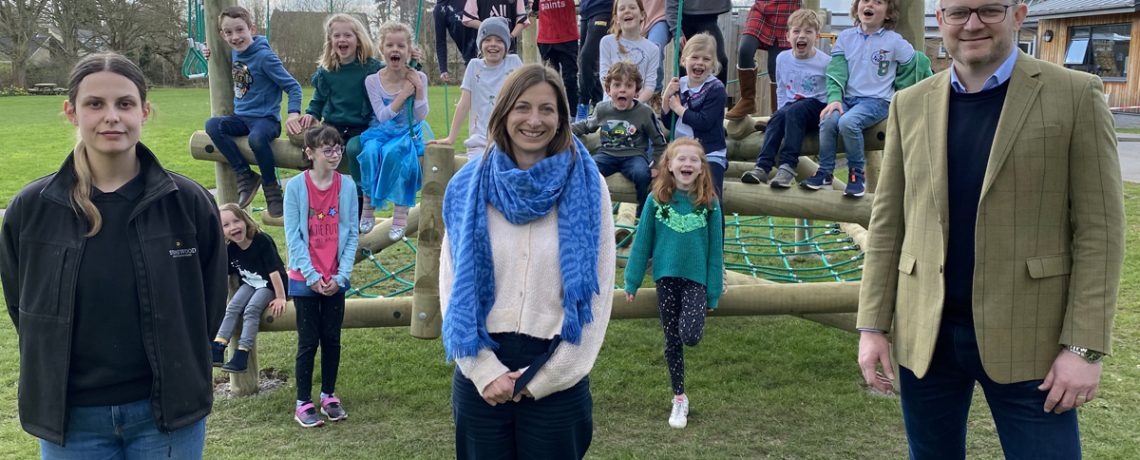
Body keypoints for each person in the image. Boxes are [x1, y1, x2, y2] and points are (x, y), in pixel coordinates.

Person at [856, 1, 1124, 458]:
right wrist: (872, 326)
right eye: (959, 12)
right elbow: (887, 225)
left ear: (1018, 14)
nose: (973, 23)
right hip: (927, 338)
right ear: (940, 19)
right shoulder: (910, 103)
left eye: (989, 10)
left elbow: (1100, 232)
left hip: (1031, 341)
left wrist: (1083, 348)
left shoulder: (1076, 94)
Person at [0, 53, 227, 457]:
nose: (112, 117)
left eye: (124, 103)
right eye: (95, 104)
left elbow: (209, 303)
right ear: (71, 112)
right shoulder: (32, 209)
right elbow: (25, 309)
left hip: (168, 415)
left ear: (144, 110)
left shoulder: (188, 203)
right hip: (71, 420)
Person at [439, 64, 615, 459]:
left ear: (561, 118)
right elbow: (451, 284)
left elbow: (598, 295)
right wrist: (484, 370)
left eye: (547, 109)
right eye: (522, 107)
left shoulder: (588, 185)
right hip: (481, 371)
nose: (534, 120)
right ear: (504, 113)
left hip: (556, 374)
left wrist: (550, 376)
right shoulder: (469, 185)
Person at [624, 138, 723, 429]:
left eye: (694, 160)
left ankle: (687, 334)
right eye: (681, 159)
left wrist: (713, 292)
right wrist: (631, 281)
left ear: (702, 168)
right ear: (669, 165)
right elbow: (642, 243)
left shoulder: (709, 205)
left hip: (695, 282)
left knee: (689, 335)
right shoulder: (658, 201)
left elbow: (715, 251)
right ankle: (679, 397)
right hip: (666, 279)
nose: (687, 164)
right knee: (672, 341)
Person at [800, 0, 926, 197]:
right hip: (848, 100)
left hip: (877, 101)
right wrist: (835, 99)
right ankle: (825, 172)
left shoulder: (894, 41)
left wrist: (904, 94)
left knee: (848, 123)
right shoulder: (845, 38)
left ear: (888, 13)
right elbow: (836, 73)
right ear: (857, 7)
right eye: (865, 1)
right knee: (827, 120)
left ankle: (856, 174)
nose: (870, 5)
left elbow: (916, 63)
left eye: (878, 2)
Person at [283, 125, 360, 428]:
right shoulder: (296, 187)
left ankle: (328, 395)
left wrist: (341, 276)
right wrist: (312, 275)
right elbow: (293, 236)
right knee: (308, 340)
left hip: (336, 278)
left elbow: (352, 232)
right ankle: (303, 401)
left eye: (338, 148)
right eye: (327, 149)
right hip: (305, 278)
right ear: (309, 153)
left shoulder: (348, 186)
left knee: (332, 338)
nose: (334, 154)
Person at [204, 5, 302, 217]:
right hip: (242, 118)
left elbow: (293, 87)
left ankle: (272, 190)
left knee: (256, 140)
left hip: (266, 121)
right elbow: (221, 55)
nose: (235, 37)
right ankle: (245, 174)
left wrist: (293, 113)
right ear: (222, 35)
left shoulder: (265, 57)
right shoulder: (233, 51)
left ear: (252, 29)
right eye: (228, 32)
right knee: (212, 126)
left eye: (240, 30)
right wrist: (209, 52)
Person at [289, 14, 382, 202]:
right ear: (330, 41)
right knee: (316, 147)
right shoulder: (327, 71)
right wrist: (311, 113)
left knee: (356, 150)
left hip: (361, 126)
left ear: (358, 40)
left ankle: (361, 195)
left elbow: (394, 77)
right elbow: (319, 98)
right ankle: (319, 192)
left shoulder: (371, 68)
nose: (342, 39)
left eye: (347, 35)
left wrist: (412, 63)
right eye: (336, 36)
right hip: (333, 125)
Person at [358, 22, 432, 240]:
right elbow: (381, 115)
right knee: (370, 151)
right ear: (382, 49)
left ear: (410, 51)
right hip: (381, 130)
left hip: (407, 131)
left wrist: (417, 88)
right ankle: (368, 207)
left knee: (398, 154)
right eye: (389, 45)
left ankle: (400, 214)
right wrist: (403, 94)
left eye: (401, 46)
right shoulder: (372, 80)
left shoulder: (419, 78)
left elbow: (420, 116)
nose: (395, 49)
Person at [740, 9, 829, 188]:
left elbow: (831, 93)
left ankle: (787, 167)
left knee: (795, 109)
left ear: (817, 37)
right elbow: (781, 89)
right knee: (779, 116)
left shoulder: (826, 62)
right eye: (796, 31)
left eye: (808, 32)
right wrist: (780, 113)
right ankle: (762, 167)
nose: (801, 36)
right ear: (788, 36)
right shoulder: (782, 58)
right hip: (792, 109)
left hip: (817, 109)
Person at [572, 62, 667, 214]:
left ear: (636, 91)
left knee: (643, 174)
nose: (622, 89)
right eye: (617, 85)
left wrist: (656, 165)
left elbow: (659, 142)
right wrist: (567, 129)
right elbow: (588, 125)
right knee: (587, 169)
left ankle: (643, 213)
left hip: (634, 155)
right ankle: (590, 209)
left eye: (628, 86)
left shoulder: (644, 112)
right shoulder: (602, 109)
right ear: (609, 90)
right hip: (607, 154)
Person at [428, 18, 524, 158]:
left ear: (506, 45)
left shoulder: (514, 63)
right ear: (480, 44)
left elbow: (528, 94)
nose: (493, 44)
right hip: (480, 140)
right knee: (477, 174)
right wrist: (451, 138)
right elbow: (464, 104)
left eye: (499, 40)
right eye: (487, 40)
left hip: (510, 139)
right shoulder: (474, 66)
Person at [212, 203, 287, 373]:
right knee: (232, 307)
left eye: (236, 221)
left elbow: (275, 271)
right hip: (250, 283)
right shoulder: (229, 248)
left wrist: (281, 296)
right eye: (226, 225)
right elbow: (225, 274)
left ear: (245, 220)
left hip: (270, 285)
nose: (233, 227)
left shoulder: (262, 241)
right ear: (221, 230)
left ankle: (242, 354)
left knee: (251, 310)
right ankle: (218, 347)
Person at [660, 33, 728, 199]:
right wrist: (665, 98)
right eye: (695, 57)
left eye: (706, 59)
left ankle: (716, 224)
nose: (699, 62)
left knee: (711, 193)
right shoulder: (679, 84)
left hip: (709, 153)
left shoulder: (716, 88)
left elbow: (704, 122)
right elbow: (669, 123)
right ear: (684, 60)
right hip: (682, 153)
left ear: (713, 64)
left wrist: (678, 108)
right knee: (666, 187)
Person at [725, 0, 801, 119]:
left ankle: (777, 114)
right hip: (761, 8)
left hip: (788, 11)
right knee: (745, 50)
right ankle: (747, 100)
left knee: (776, 66)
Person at [599, 0, 660, 104]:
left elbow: (650, 86)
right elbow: (604, 77)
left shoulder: (653, 49)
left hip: (637, 108)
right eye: (622, 9)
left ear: (642, 15)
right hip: (611, 105)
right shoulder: (607, 42)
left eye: (632, 7)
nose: (627, 11)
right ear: (616, 18)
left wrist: (633, 105)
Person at [665, 0, 731, 86]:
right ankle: (686, 97)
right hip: (684, 19)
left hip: (709, 18)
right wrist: (676, 31)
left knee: (720, 61)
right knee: (686, 64)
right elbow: (671, 3)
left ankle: (718, 96)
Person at [531, 0, 581, 112]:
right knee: (549, 80)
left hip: (567, 37)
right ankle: (553, 113)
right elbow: (534, 8)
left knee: (570, 79)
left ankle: (574, 116)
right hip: (546, 38)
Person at [578, 0, 615, 117]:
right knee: (591, 62)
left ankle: (583, 104)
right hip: (585, 11)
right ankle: (598, 106)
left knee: (586, 58)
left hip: (604, 9)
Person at [435, 0, 478, 82]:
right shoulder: (441, 8)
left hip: (489, 50)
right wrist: (443, 69)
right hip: (470, 59)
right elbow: (440, 41)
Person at [462, 0, 529, 53]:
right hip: (484, 45)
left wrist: (510, 37)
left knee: (510, 70)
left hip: (507, 47)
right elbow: (468, 19)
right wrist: (490, 27)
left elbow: (522, 20)